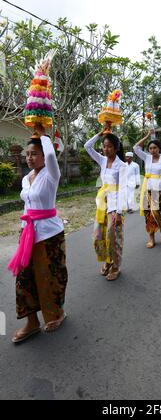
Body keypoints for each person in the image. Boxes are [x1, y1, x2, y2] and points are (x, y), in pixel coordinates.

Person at [8, 124, 68, 344]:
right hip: (28, 235)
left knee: (51, 278)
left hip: (50, 234)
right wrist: (23, 228)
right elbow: (28, 205)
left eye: (34, 154)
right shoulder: (26, 179)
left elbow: (52, 153)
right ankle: (32, 322)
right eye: (27, 154)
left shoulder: (52, 174)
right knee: (24, 279)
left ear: (44, 156)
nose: (29, 158)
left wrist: (42, 135)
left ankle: (57, 313)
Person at [84, 132, 127, 281]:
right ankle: (107, 261)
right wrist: (99, 134)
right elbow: (87, 146)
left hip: (115, 205)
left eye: (109, 146)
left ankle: (116, 266)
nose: (106, 149)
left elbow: (123, 189)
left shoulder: (122, 165)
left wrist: (119, 212)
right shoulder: (102, 160)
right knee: (98, 235)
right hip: (102, 203)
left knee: (113, 236)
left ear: (116, 148)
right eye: (104, 146)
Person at [134, 131, 161, 249]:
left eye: (155, 148)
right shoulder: (147, 158)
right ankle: (151, 238)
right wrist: (147, 136)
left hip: (158, 191)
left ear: (159, 149)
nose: (152, 150)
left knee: (155, 214)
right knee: (147, 214)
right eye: (150, 148)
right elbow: (136, 147)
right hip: (147, 189)